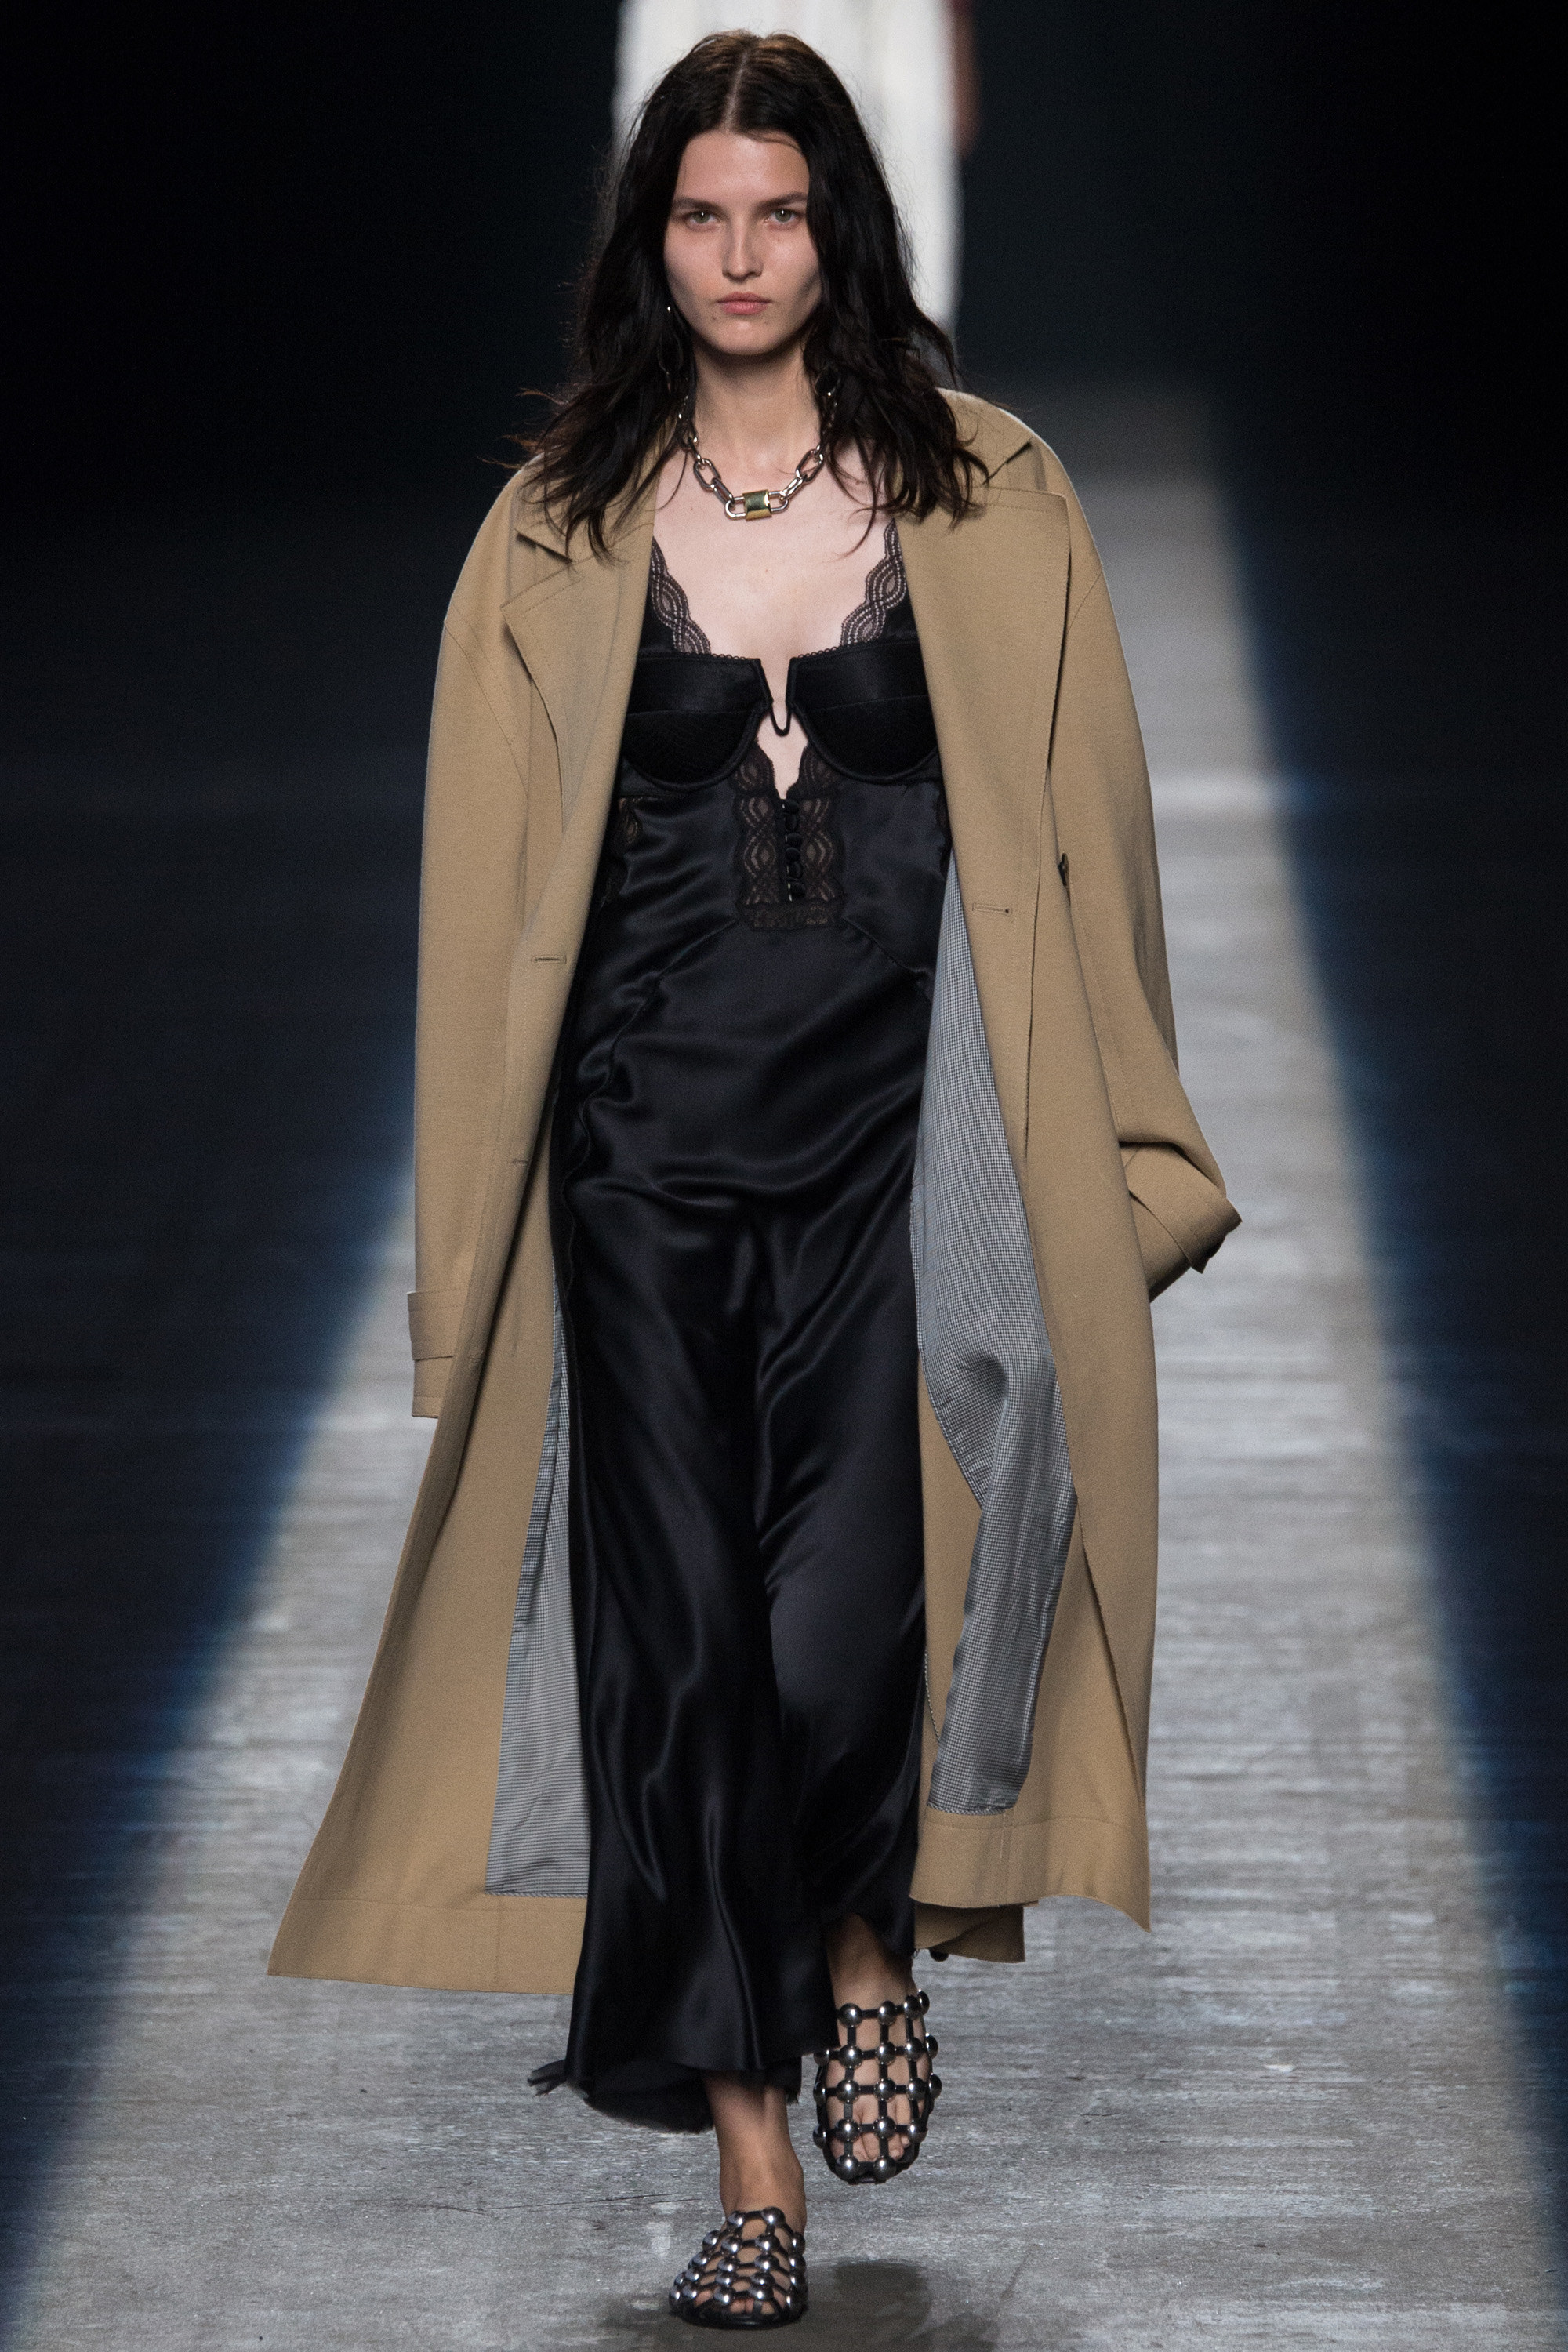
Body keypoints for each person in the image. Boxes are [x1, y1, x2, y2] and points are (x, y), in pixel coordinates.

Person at [268, 30, 1239, 2331]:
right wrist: (462, 1262)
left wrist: (1129, 1150)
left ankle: (859, 1935)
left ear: (835, 232)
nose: (736, 257)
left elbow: (1089, 842)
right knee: (682, 1666)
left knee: (835, 1637)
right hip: (635, 1165)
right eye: (699, 216)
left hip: (905, 1160)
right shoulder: (556, 525)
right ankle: (754, 2165)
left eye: (775, 215)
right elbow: (479, 918)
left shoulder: (988, 495)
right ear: (650, 239)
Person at [615, 0, 978, 326]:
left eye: (782, 215)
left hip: (864, 262)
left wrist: (921, 318)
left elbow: (919, 142)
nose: (740, 264)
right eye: (702, 216)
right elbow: (648, 141)